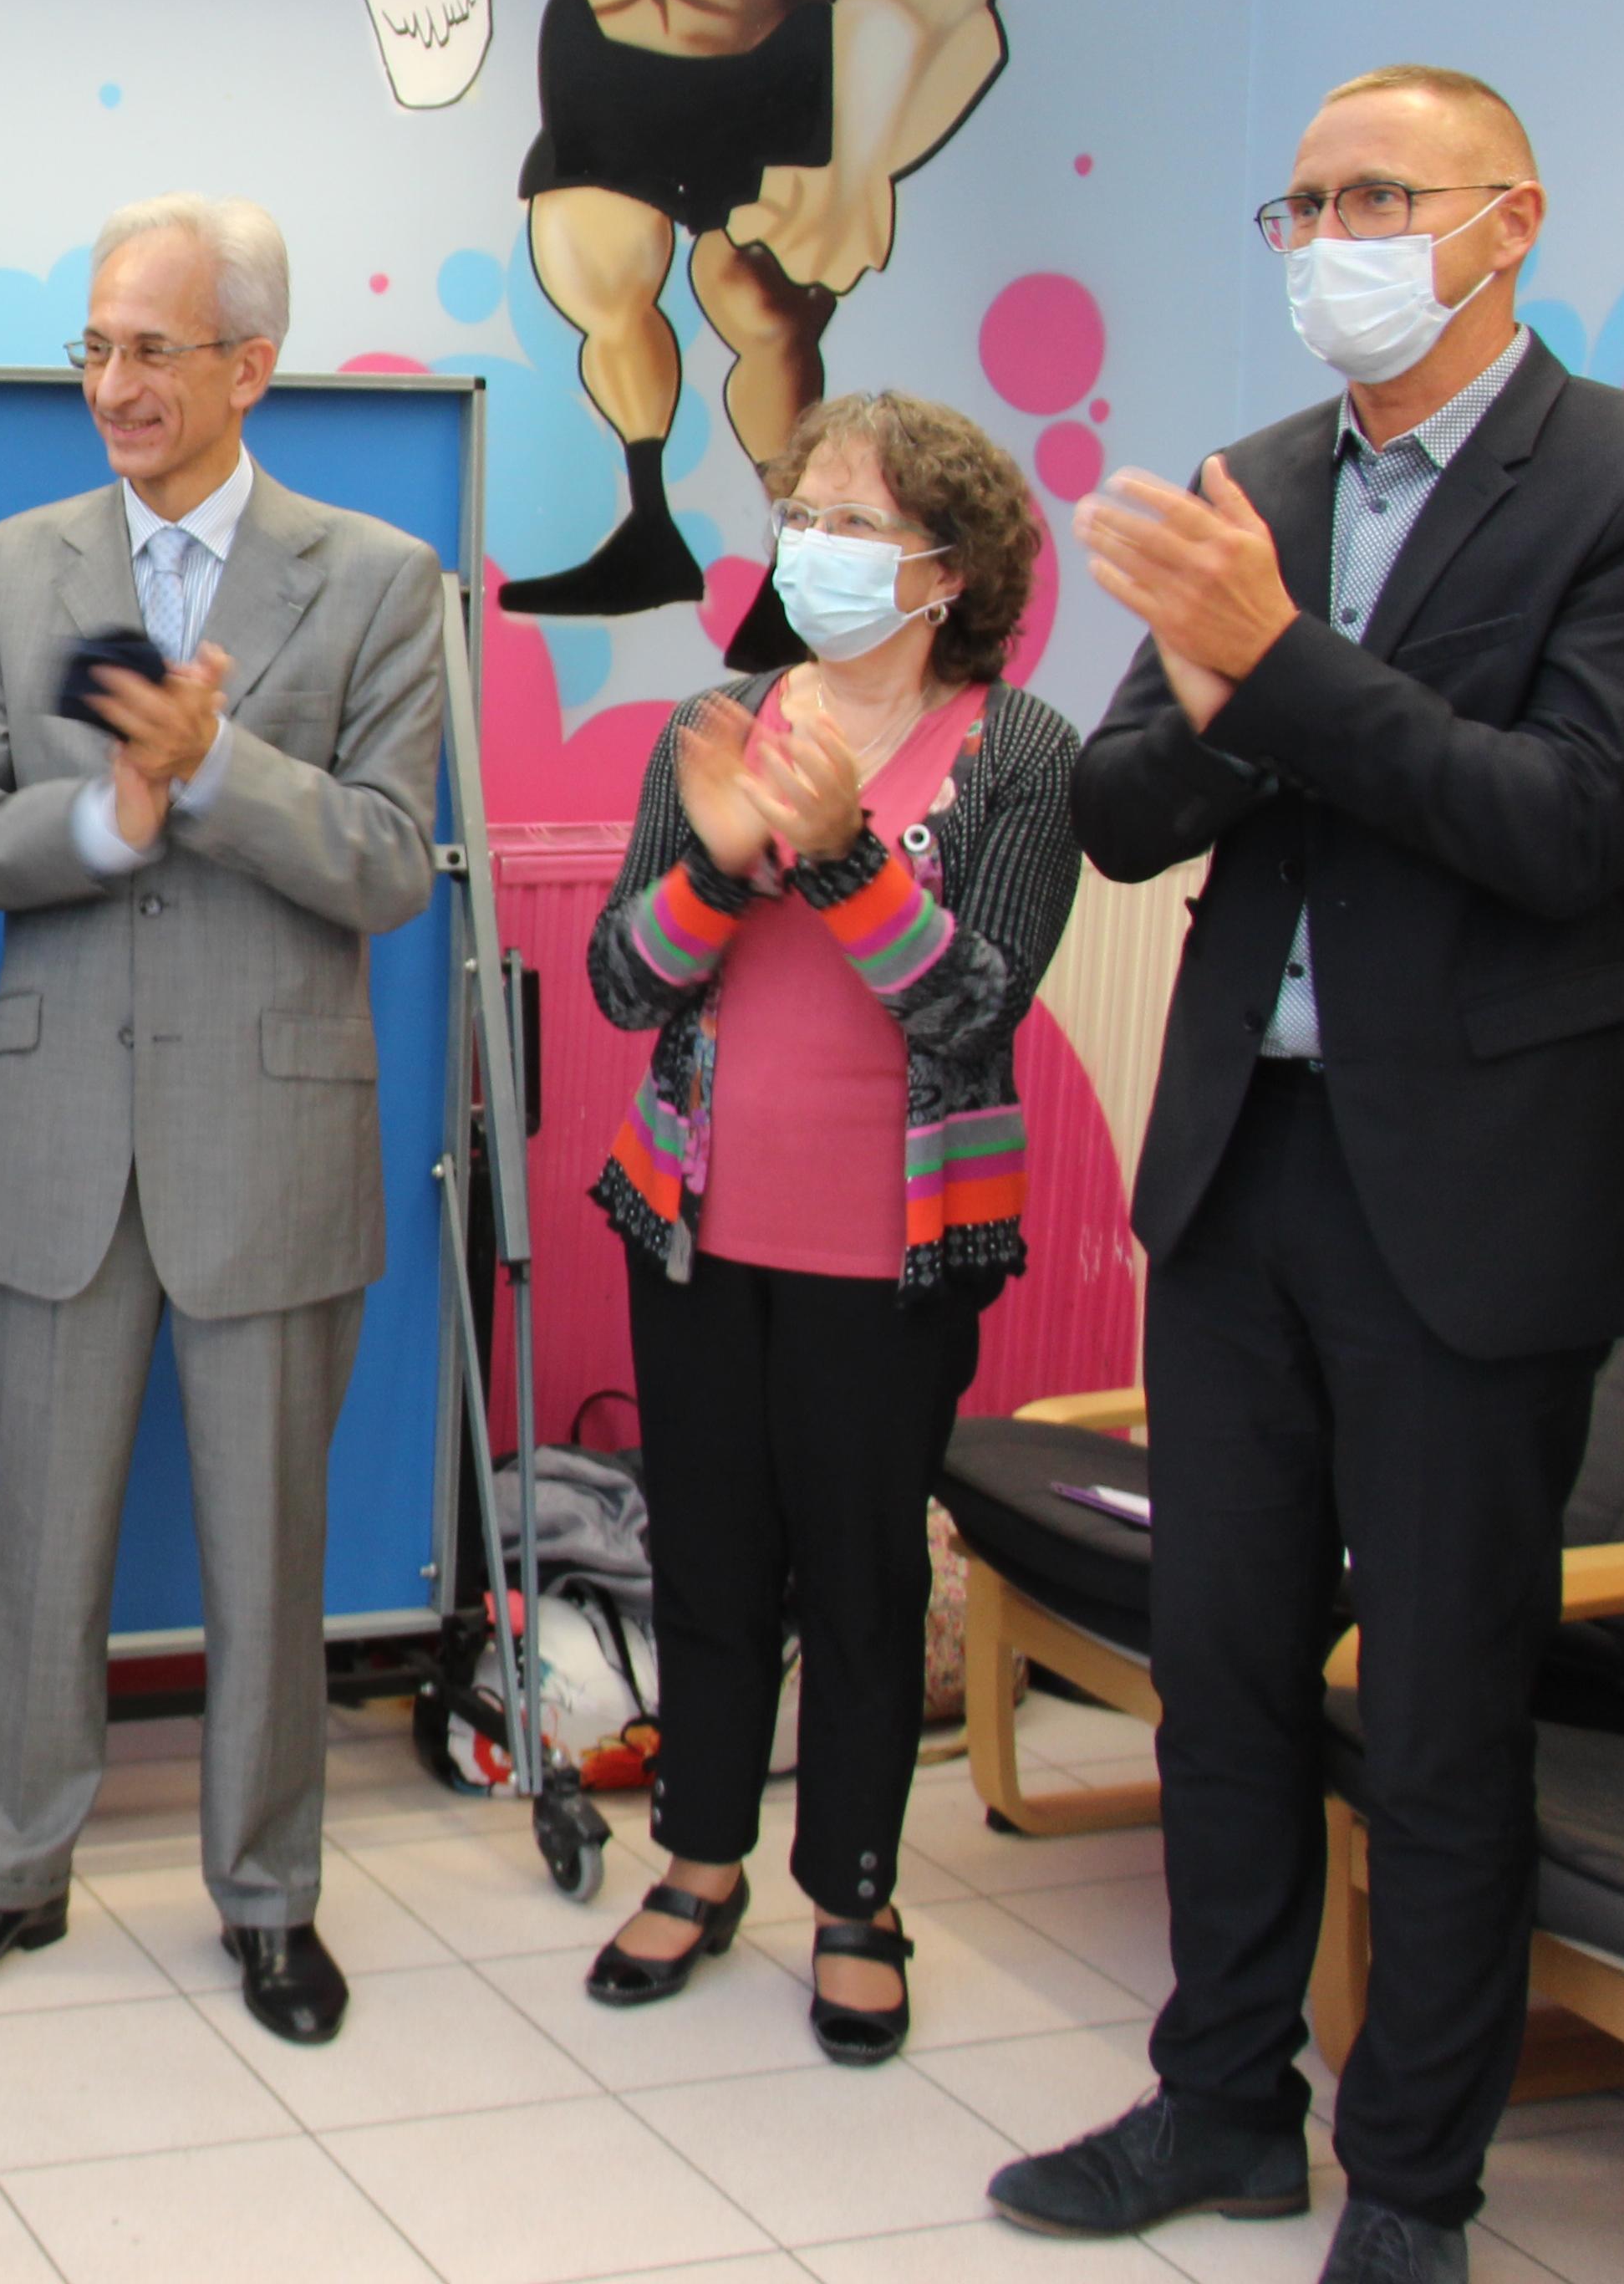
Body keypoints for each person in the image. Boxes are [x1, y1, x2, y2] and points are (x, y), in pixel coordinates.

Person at [997, 67, 1624, 2284]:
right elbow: (1126, 814)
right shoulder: (1260, 484)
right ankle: (1224, 2101)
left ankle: (1416, 2176)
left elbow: (1573, 831)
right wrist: (1239, 676)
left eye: (1378, 194)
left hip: (1481, 1187)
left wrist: (1284, 668)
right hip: (1247, 1169)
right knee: (1225, 1672)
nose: (1332, 232)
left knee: (1431, 1713)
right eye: (1303, 199)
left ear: (1505, 221)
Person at [0, 191, 445, 2047]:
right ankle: (4, 1874)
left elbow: (384, 866)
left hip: (270, 1143)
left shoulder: (375, 578)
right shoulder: (12, 565)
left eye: (153, 349)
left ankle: (270, 1900)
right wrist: (108, 824)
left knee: (267, 1550)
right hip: (59, 1141)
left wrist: (217, 773)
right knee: (36, 1535)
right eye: (97, 348)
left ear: (250, 367)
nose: (116, 384)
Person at [576, 392, 1080, 2062]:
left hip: (896, 1247)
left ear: (954, 570)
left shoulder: (1021, 753)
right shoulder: (710, 723)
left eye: (859, 524)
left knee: (861, 1584)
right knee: (711, 1557)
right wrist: (723, 866)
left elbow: (976, 1009)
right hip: (701, 1227)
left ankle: (856, 1894)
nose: (817, 547)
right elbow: (623, 978)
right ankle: (702, 1859)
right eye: (805, 511)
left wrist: (844, 853)